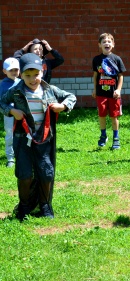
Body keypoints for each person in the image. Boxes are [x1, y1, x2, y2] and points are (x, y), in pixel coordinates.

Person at [0, 53, 77, 220]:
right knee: (24, 174)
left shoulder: (49, 89)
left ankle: (45, 206)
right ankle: (24, 206)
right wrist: (12, 111)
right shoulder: (16, 91)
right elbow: (1, 102)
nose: (32, 79)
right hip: (22, 138)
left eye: (36, 74)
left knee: (46, 173)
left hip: (44, 139)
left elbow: (71, 97)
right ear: (21, 75)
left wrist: (62, 106)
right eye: (27, 75)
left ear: (42, 72)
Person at [92, 33, 126, 150]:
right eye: (104, 42)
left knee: (114, 116)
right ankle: (103, 135)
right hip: (101, 94)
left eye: (109, 42)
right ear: (99, 45)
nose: (107, 43)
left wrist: (118, 89)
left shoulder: (117, 59)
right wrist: (95, 89)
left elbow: (121, 76)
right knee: (101, 115)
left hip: (113, 95)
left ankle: (116, 139)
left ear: (113, 44)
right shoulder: (96, 59)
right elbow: (95, 75)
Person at [0, 58, 21, 168]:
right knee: (10, 135)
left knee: (23, 134)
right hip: (9, 114)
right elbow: (1, 102)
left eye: (16, 70)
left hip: (22, 113)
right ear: (5, 71)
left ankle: (21, 155)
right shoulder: (3, 85)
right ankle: (10, 158)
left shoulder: (21, 82)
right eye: (11, 70)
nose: (14, 72)